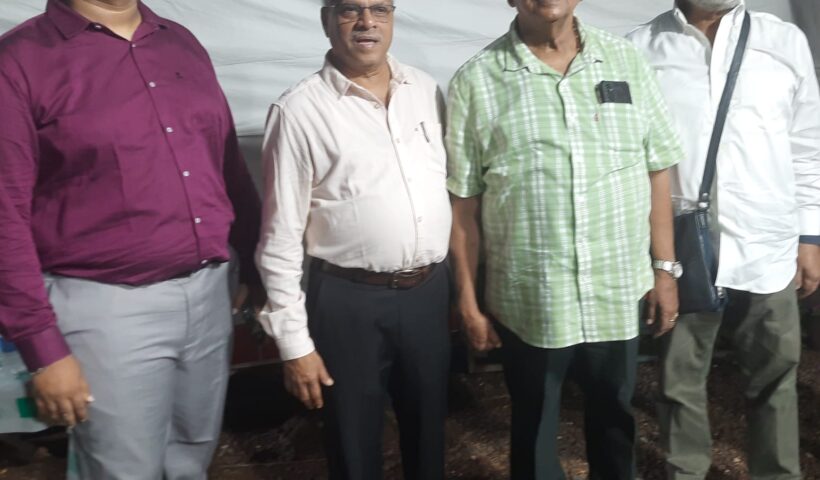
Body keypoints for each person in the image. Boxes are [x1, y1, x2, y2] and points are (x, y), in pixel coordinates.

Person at [0, 0, 263, 478]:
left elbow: (227, 163)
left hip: (209, 295)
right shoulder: (20, 60)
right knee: (121, 470)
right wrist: (43, 350)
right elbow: (4, 217)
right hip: (105, 308)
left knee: (190, 459)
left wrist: (254, 260)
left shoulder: (179, 41)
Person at [447, 0, 686, 478]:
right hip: (532, 298)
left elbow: (658, 167)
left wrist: (665, 269)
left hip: (615, 289)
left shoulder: (625, 60)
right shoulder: (476, 80)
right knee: (533, 425)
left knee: (615, 420)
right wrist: (468, 304)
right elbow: (463, 206)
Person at [255, 1, 452, 478]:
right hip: (348, 302)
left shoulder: (426, 90)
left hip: (428, 292)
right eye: (350, 10)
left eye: (379, 9)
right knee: (353, 440)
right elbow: (280, 238)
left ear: (393, 18)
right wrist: (294, 344)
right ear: (327, 21)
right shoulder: (298, 110)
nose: (367, 22)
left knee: (430, 433)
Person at [628, 0, 820, 478]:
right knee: (678, 381)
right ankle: (686, 473)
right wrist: (655, 258)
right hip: (682, 250)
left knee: (775, 378)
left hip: (768, 242)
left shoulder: (783, 41)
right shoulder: (641, 48)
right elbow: (635, 157)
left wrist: (809, 234)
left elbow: (807, 144)